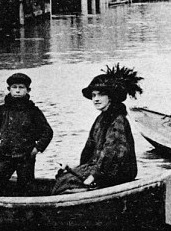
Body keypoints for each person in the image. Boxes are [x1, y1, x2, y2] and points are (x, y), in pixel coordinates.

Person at [52, 65, 142, 195]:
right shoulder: (101, 118)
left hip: (117, 174)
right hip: (102, 169)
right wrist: (77, 168)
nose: (96, 99)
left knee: (68, 185)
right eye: (93, 95)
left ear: (110, 97)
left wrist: (92, 177)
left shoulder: (117, 120)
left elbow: (113, 153)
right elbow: (90, 148)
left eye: (101, 95)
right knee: (64, 177)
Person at [0, 73, 54, 196]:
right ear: (9, 89)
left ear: (28, 90)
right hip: (5, 155)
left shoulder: (33, 111)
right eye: (14, 87)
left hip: (26, 157)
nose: (17, 90)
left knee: (26, 188)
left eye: (21, 87)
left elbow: (47, 132)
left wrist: (36, 149)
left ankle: (23, 212)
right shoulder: (2, 110)